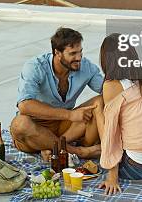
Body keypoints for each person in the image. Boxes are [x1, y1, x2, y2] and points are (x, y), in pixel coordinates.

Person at [10, 27, 104, 159]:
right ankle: (79, 152)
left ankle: (52, 147)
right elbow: (24, 105)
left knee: (100, 102)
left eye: (80, 52)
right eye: (72, 53)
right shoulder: (35, 66)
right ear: (57, 53)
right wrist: (70, 114)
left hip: (64, 128)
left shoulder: (85, 66)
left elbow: (108, 90)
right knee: (20, 124)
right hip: (35, 128)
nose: (79, 58)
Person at [95, 33, 142, 196]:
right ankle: (89, 151)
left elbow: (111, 133)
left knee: (98, 109)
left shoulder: (112, 85)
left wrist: (112, 175)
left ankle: (89, 152)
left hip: (137, 169)